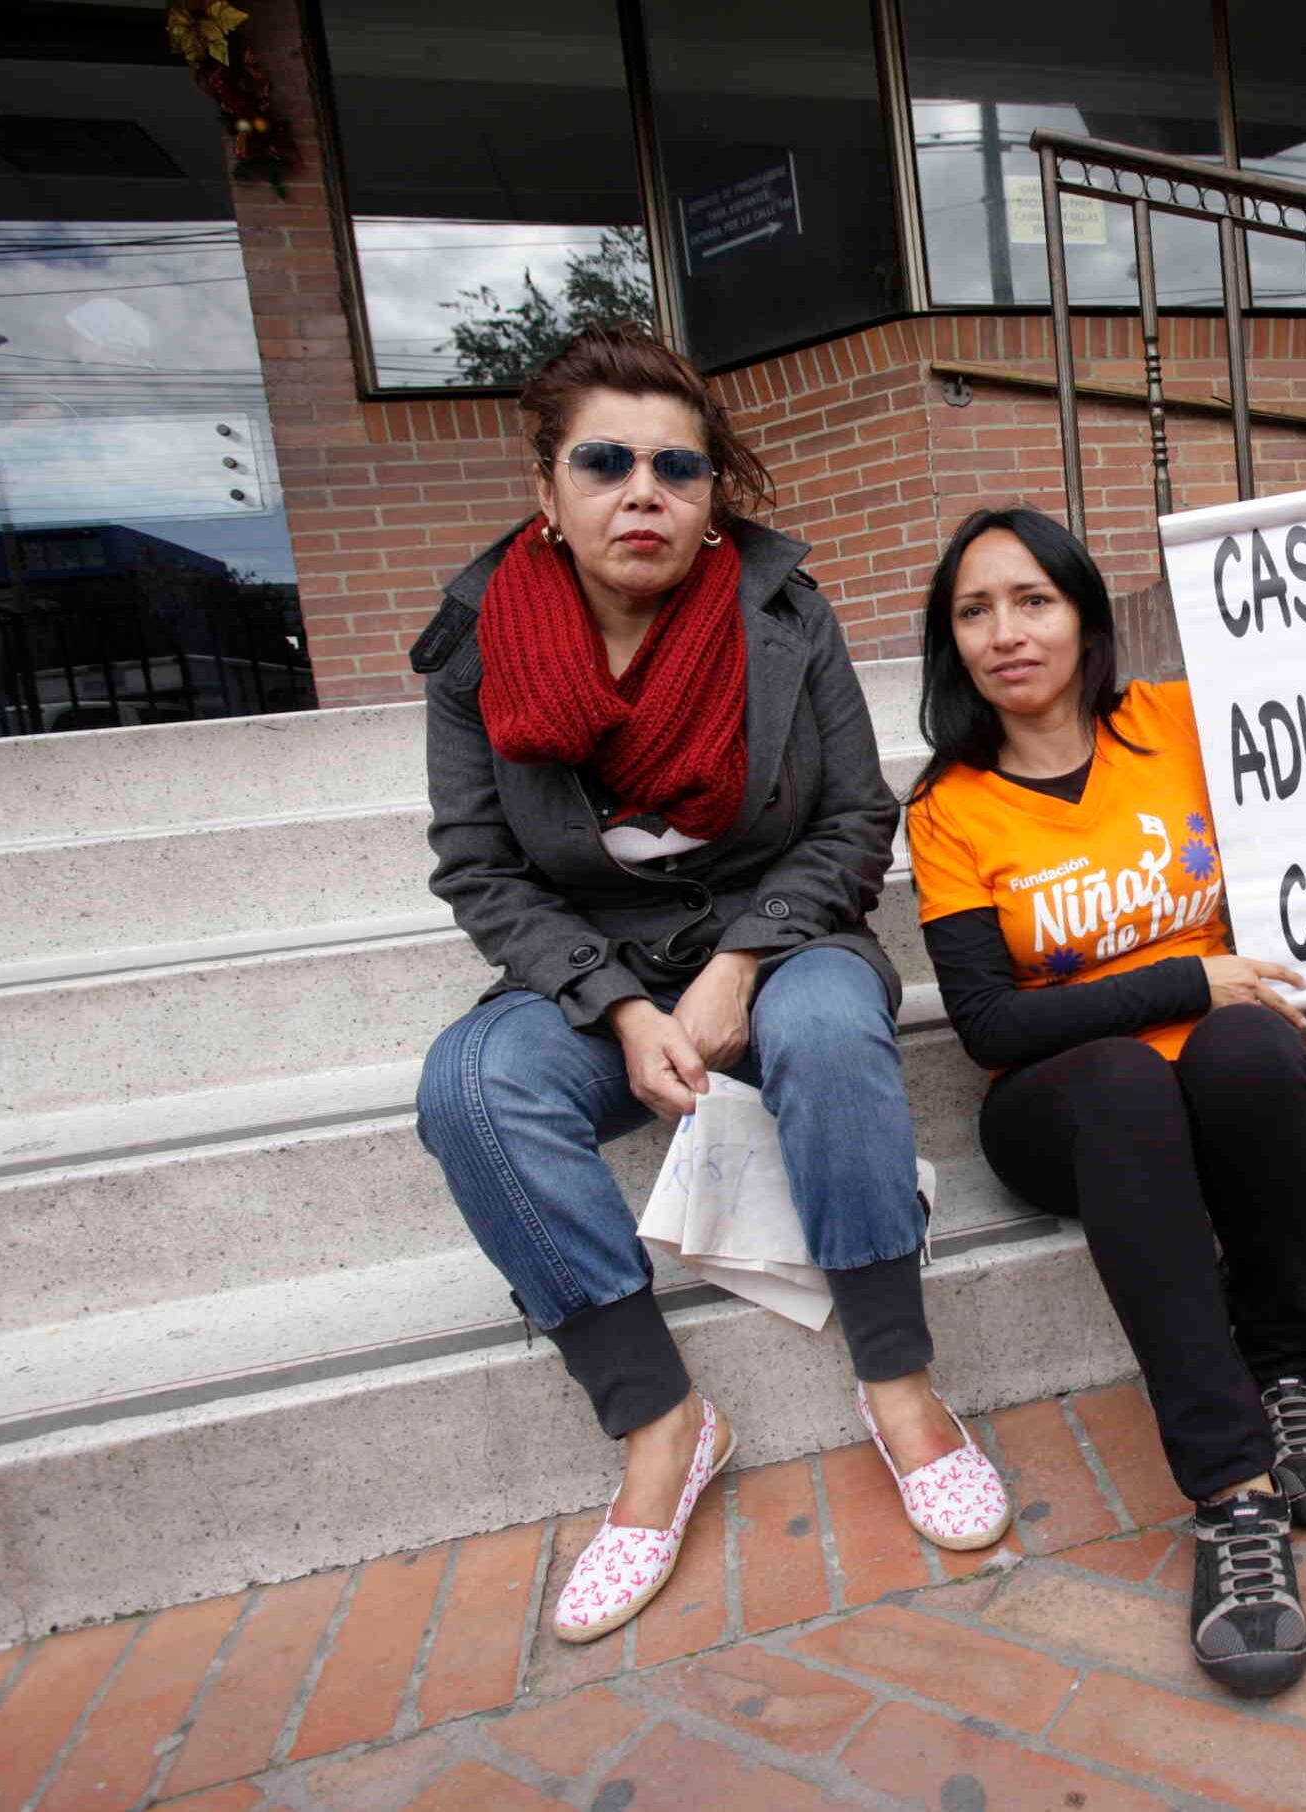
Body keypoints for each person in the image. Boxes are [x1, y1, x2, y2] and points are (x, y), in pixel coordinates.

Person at [412, 323, 1007, 1647]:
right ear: (549, 492)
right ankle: (661, 1426)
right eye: (606, 461)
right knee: (470, 1088)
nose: (645, 491)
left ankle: (898, 1382)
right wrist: (618, 1005)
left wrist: (742, 959)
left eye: (677, 466)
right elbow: (481, 868)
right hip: (598, 963)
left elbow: (854, 821)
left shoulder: (784, 617)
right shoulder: (475, 649)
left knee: (835, 1026)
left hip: (777, 936)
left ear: (710, 492)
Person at [904, 494, 1306, 1697]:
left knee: (1252, 1049)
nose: (1006, 631)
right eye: (974, 611)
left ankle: (1287, 1377)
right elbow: (986, 1024)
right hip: (1061, 1105)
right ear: (951, 643)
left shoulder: (1176, 722)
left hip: (1219, 1079)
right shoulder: (950, 808)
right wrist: (1185, 975)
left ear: (1085, 615)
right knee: (1137, 1076)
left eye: (1034, 599)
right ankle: (1234, 1495)